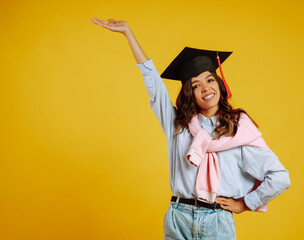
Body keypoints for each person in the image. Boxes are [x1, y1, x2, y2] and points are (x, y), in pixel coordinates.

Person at [91, 18, 291, 240]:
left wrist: (245, 203)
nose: (206, 88)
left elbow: (280, 177)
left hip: (217, 220)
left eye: (210, 80)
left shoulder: (238, 131)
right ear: (190, 93)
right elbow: (154, 86)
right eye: (196, 85)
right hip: (178, 218)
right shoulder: (178, 126)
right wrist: (128, 33)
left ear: (219, 84)